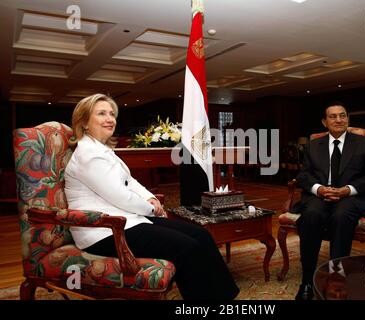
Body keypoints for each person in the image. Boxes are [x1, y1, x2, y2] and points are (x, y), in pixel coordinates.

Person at [64, 93, 239, 300]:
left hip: (126, 221)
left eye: (112, 113)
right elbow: (120, 196)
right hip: (103, 232)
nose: (110, 119)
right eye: (101, 114)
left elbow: (130, 182)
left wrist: (151, 199)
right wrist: (151, 209)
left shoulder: (101, 150)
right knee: (187, 248)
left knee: (201, 235)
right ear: (84, 122)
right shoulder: (88, 155)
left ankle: (225, 299)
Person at [291, 102, 365, 300]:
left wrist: (347, 190)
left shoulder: (363, 143)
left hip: (350, 196)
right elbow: (304, 175)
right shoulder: (314, 145)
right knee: (311, 214)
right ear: (325, 122)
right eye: (333, 116)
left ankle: (337, 277)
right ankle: (306, 280)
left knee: (342, 215)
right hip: (320, 195)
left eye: (342, 115)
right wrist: (320, 189)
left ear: (347, 118)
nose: (338, 119)